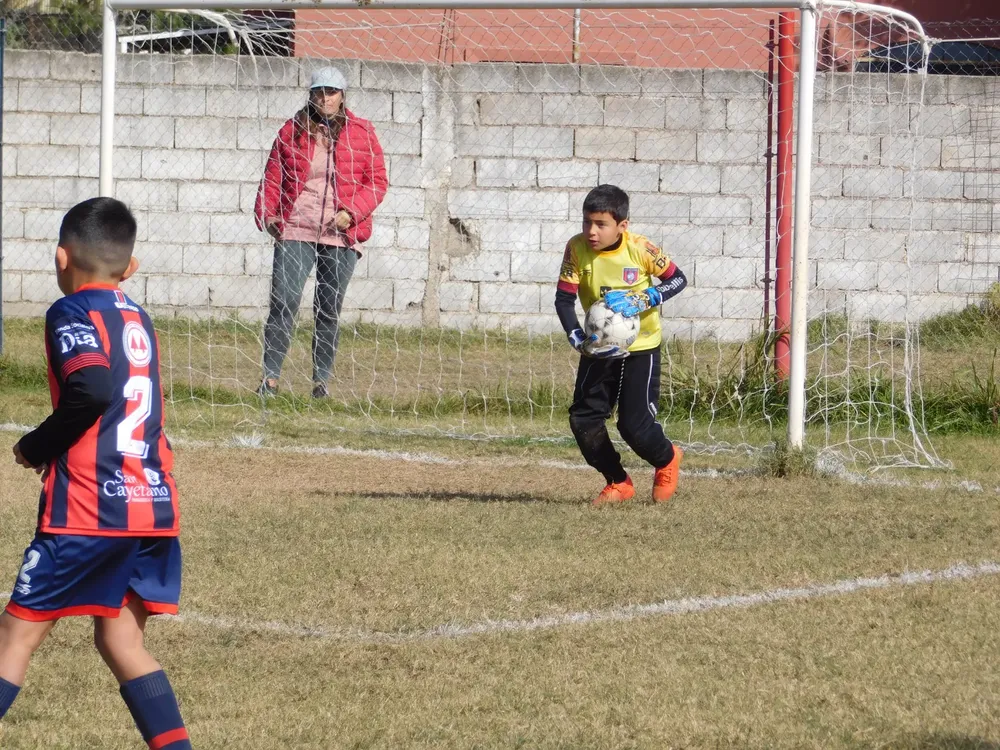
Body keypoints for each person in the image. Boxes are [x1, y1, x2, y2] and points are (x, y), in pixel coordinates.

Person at [0, 198, 191, 749]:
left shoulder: (72, 312)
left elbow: (92, 389)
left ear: (61, 258)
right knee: (121, 641)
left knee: (14, 638)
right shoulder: (138, 315)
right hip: (151, 504)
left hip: (89, 509)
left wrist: (36, 446)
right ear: (129, 269)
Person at [254, 65, 389, 399]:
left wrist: (352, 212)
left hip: (341, 235)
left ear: (343, 95)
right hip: (296, 227)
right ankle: (270, 380)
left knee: (328, 308)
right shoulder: (291, 131)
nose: (325, 98)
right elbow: (273, 177)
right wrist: (268, 215)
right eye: (319, 91)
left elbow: (378, 182)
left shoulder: (362, 131)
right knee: (284, 303)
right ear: (311, 94)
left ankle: (320, 383)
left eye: (331, 92)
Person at [556, 184, 689, 507]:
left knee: (634, 426)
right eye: (587, 222)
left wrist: (647, 296)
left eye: (600, 224)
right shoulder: (576, 248)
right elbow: (564, 299)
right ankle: (618, 481)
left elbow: (677, 279)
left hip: (641, 347)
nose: (591, 231)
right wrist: (576, 334)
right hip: (598, 347)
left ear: (622, 225)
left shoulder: (640, 248)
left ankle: (667, 458)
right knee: (583, 420)